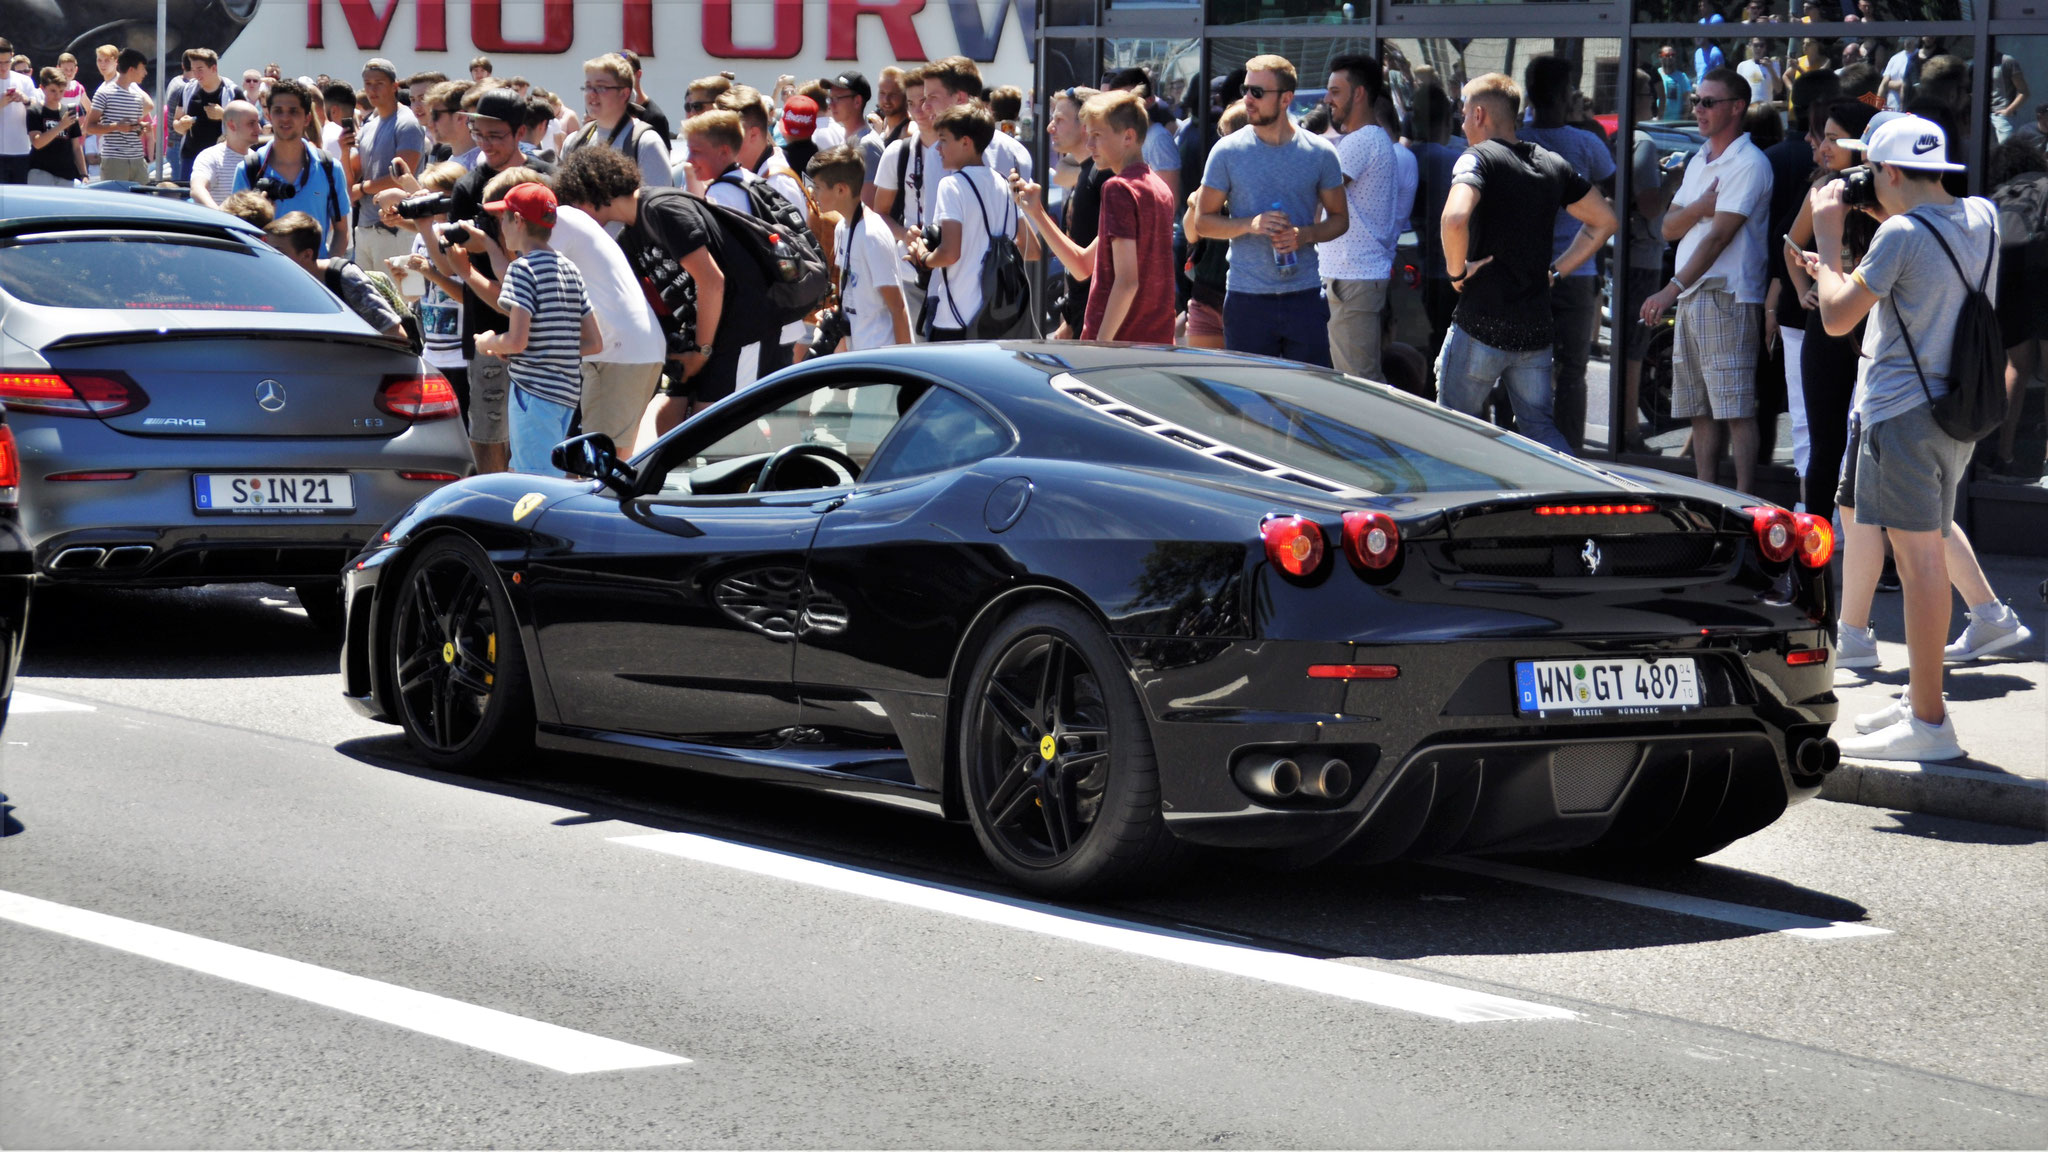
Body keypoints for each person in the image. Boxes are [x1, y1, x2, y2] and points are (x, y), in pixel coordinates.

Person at [1803, 114, 2009, 761]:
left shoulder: (1899, 233)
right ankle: (1919, 703)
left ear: (1889, 171)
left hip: (1901, 413)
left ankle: (1929, 724)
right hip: (1956, 412)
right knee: (1926, 555)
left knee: (1919, 567)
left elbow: (1837, 318)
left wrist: (1830, 243)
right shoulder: (1983, 217)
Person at [1436, 72, 1616, 454]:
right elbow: (1605, 221)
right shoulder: (1551, 164)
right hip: (1534, 329)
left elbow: (1453, 219)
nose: (1462, 123)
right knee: (1540, 429)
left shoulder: (1478, 157)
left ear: (1480, 114)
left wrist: (1456, 271)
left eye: (1465, 114)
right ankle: (1573, 500)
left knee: (1453, 427)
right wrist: (1557, 270)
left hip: (1480, 322)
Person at [554, 144, 775, 433]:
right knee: (668, 423)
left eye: (574, 203)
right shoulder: (631, 237)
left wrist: (701, 351)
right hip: (707, 334)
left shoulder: (664, 209)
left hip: (743, 327)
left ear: (593, 190)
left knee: (717, 431)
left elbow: (712, 280)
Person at [1640, 68, 1772, 494]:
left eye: (1707, 102)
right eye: (1697, 100)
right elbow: (1668, 228)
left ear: (1737, 107)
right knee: (1699, 408)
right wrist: (1701, 205)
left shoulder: (1750, 163)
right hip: (1696, 295)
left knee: (1735, 409)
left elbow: (1718, 238)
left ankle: (1748, 501)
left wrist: (1669, 289)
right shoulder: (1700, 160)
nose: (1697, 109)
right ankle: (1708, 495)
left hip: (1728, 295)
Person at [1190, 54, 1348, 366]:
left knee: (1308, 402)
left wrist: (1303, 235)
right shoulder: (1227, 151)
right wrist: (1251, 224)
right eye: (1245, 90)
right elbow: (1203, 222)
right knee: (1251, 406)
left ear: (1286, 98)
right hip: (1246, 299)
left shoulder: (1320, 153)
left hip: (1303, 296)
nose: (1247, 99)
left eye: (1257, 92)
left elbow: (1340, 219)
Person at [1012, 90, 1175, 344]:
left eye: (1097, 136)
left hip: (1119, 347)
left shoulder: (1118, 188)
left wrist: (1101, 345)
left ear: (1128, 137)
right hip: (1155, 342)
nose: (1090, 145)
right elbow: (1084, 266)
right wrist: (1037, 212)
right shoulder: (1158, 186)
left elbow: (1127, 281)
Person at [469, 181, 601, 475]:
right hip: (566, 394)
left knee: (538, 484)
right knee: (542, 471)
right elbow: (594, 342)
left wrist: (490, 342)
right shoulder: (569, 268)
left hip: (533, 392)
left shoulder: (521, 269)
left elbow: (516, 340)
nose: (500, 226)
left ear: (517, 220)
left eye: (502, 218)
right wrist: (540, 348)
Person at [1520, 56, 1617, 453]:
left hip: (1526, 275)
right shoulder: (1586, 144)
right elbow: (1615, 192)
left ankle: (1528, 449)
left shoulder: (1515, 142)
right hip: (1577, 273)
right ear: (1565, 96)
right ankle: (1571, 455)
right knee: (1573, 372)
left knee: (1525, 369)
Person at [907, 104, 1035, 341]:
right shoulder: (1004, 183)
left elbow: (949, 254)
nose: (938, 148)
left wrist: (923, 257)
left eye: (944, 140)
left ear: (966, 142)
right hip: (998, 317)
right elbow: (1032, 248)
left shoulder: (952, 185)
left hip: (956, 317)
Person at [1320, 54, 1403, 383]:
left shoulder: (1361, 140)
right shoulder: (1370, 138)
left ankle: (1387, 436)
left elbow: (1320, 192)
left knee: (1360, 386)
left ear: (1359, 94)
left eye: (1335, 91)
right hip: (1355, 278)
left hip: (1354, 279)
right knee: (1357, 383)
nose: (1327, 99)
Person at [1623, 70, 1682, 452]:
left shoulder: (1621, 138)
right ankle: (1628, 431)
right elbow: (1648, 206)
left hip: (1623, 252)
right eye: (1650, 91)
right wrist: (1674, 178)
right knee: (1635, 347)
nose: (1655, 98)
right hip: (1642, 256)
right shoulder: (1642, 142)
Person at [809, 144, 912, 351]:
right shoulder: (841, 228)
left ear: (841, 189)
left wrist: (903, 363)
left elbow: (897, 307)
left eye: (818, 187)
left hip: (881, 354)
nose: (812, 193)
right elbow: (854, 291)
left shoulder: (872, 235)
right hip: (858, 350)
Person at [232, 80, 351, 257]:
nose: (285, 118)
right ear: (269, 116)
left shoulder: (329, 168)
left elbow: (342, 230)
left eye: (293, 111)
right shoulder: (249, 169)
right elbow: (238, 232)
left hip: (313, 278)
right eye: (278, 111)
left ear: (307, 118)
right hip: (267, 274)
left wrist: (327, 270)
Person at [262, 211, 404, 340]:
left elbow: (396, 336)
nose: (270, 257)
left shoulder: (345, 278)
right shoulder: (274, 285)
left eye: (278, 251)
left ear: (306, 254)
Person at [1038, 85, 1109, 340]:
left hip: (1100, 324)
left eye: (1059, 120)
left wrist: (1035, 212)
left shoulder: (1103, 176)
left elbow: (1087, 266)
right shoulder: (1089, 172)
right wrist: (1069, 318)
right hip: (1083, 317)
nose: (1050, 128)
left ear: (1086, 125)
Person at [351, 59, 426, 275]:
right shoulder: (369, 124)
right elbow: (358, 171)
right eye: (368, 84)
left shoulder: (407, 122)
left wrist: (363, 189)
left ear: (394, 86)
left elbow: (401, 175)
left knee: (400, 303)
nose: (372, 90)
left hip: (396, 228)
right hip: (366, 227)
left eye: (379, 83)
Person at [564, 53, 669, 187]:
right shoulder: (574, 141)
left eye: (601, 87)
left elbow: (658, 205)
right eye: (588, 86)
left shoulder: (646, 144)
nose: (591, 93)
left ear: (624, 93)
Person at [924, 56, 1031, 182]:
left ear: (960, 98)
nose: (925, 106)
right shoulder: (1016, 152)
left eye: (933, 97)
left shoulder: (938, 155)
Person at [85, 47, 151, 184]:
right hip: (114, 161)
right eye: (142, 68)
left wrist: (140, 127)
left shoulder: (138, 97)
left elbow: (134, 131)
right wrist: (117, 126)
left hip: (138, 160)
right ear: (132, 69)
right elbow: (89, 127)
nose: (145, 73)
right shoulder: (104, 93)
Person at [172, 49, 235, 186]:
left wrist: (223, 115)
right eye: (193, 70)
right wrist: (182, 124)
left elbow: (245, 123)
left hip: (221, 158)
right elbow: (176, 123)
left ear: (213, 68)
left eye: (200, 69)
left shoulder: (231, 91)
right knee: (187, 197)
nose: (196, 74)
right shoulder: (188, 89)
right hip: (190, 156)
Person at [189, 100, 261, 209]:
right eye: (251, 123)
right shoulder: (211, 156)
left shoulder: (257, 158)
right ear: (232, 125)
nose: (258, 128)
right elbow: (197, 189)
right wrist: (221, 215)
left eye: (258, 122)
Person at [24, 67, 82, 186]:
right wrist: (61, 126)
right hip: (40, 171)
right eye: (53, 91)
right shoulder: (35, 111)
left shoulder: (68, 113)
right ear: (42, 88)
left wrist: (84, 174)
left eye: (61, 91)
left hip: (66, 173)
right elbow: (37, 142)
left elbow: (76, 147)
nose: (58, 95)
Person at [1657, 46, 1696, 119]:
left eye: (1673, 55)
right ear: (1660, 57)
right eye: (1667, 55)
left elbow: (1686, 102)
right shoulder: (1655, 75)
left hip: (1675, 123)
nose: (1670, 57)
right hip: (1657, 122)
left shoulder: (1682, 77)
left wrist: (1683, 121)